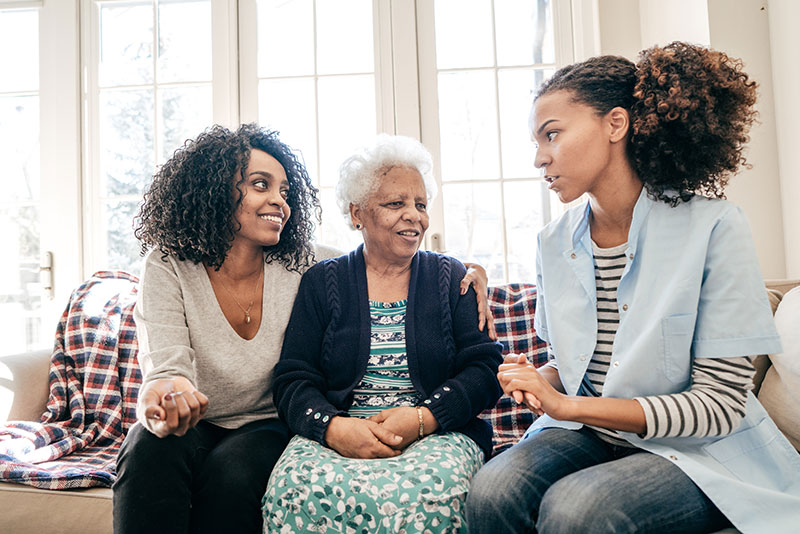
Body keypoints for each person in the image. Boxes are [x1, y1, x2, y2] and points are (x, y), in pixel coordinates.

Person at [466, 42, 800, 534]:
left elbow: (720, 405)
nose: (540, 158)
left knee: (579, 510)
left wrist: (568, 405)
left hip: (697, 447)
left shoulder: (716, 228)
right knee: (492, 492)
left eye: (552, 134)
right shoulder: (553, 243)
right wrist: (538, 379)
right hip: (591, 432)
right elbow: (577, 365)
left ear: (615, 125)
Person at [113, 124, 493, 534]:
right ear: (215, 190)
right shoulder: (170, 264)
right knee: (146, 449)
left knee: (234, 474)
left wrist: (473, 271)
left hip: (263, 422)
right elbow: (168, 365)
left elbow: (378, 259)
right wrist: (168, 392)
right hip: (197, 420)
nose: (280, 201)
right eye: (262, 185)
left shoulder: (300, 262)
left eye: (286, 192)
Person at [262, 134, 504, 533]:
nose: (415, 216)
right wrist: (332, 427)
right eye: (396, 204)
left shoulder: (451, 278)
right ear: (357, 213)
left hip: (435, 433)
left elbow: (484, 369)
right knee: (292, 490)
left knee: (429, 495)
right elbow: (293, 378)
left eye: (421, 205)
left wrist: (424, 418)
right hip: (340, 431)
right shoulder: (323, 282)